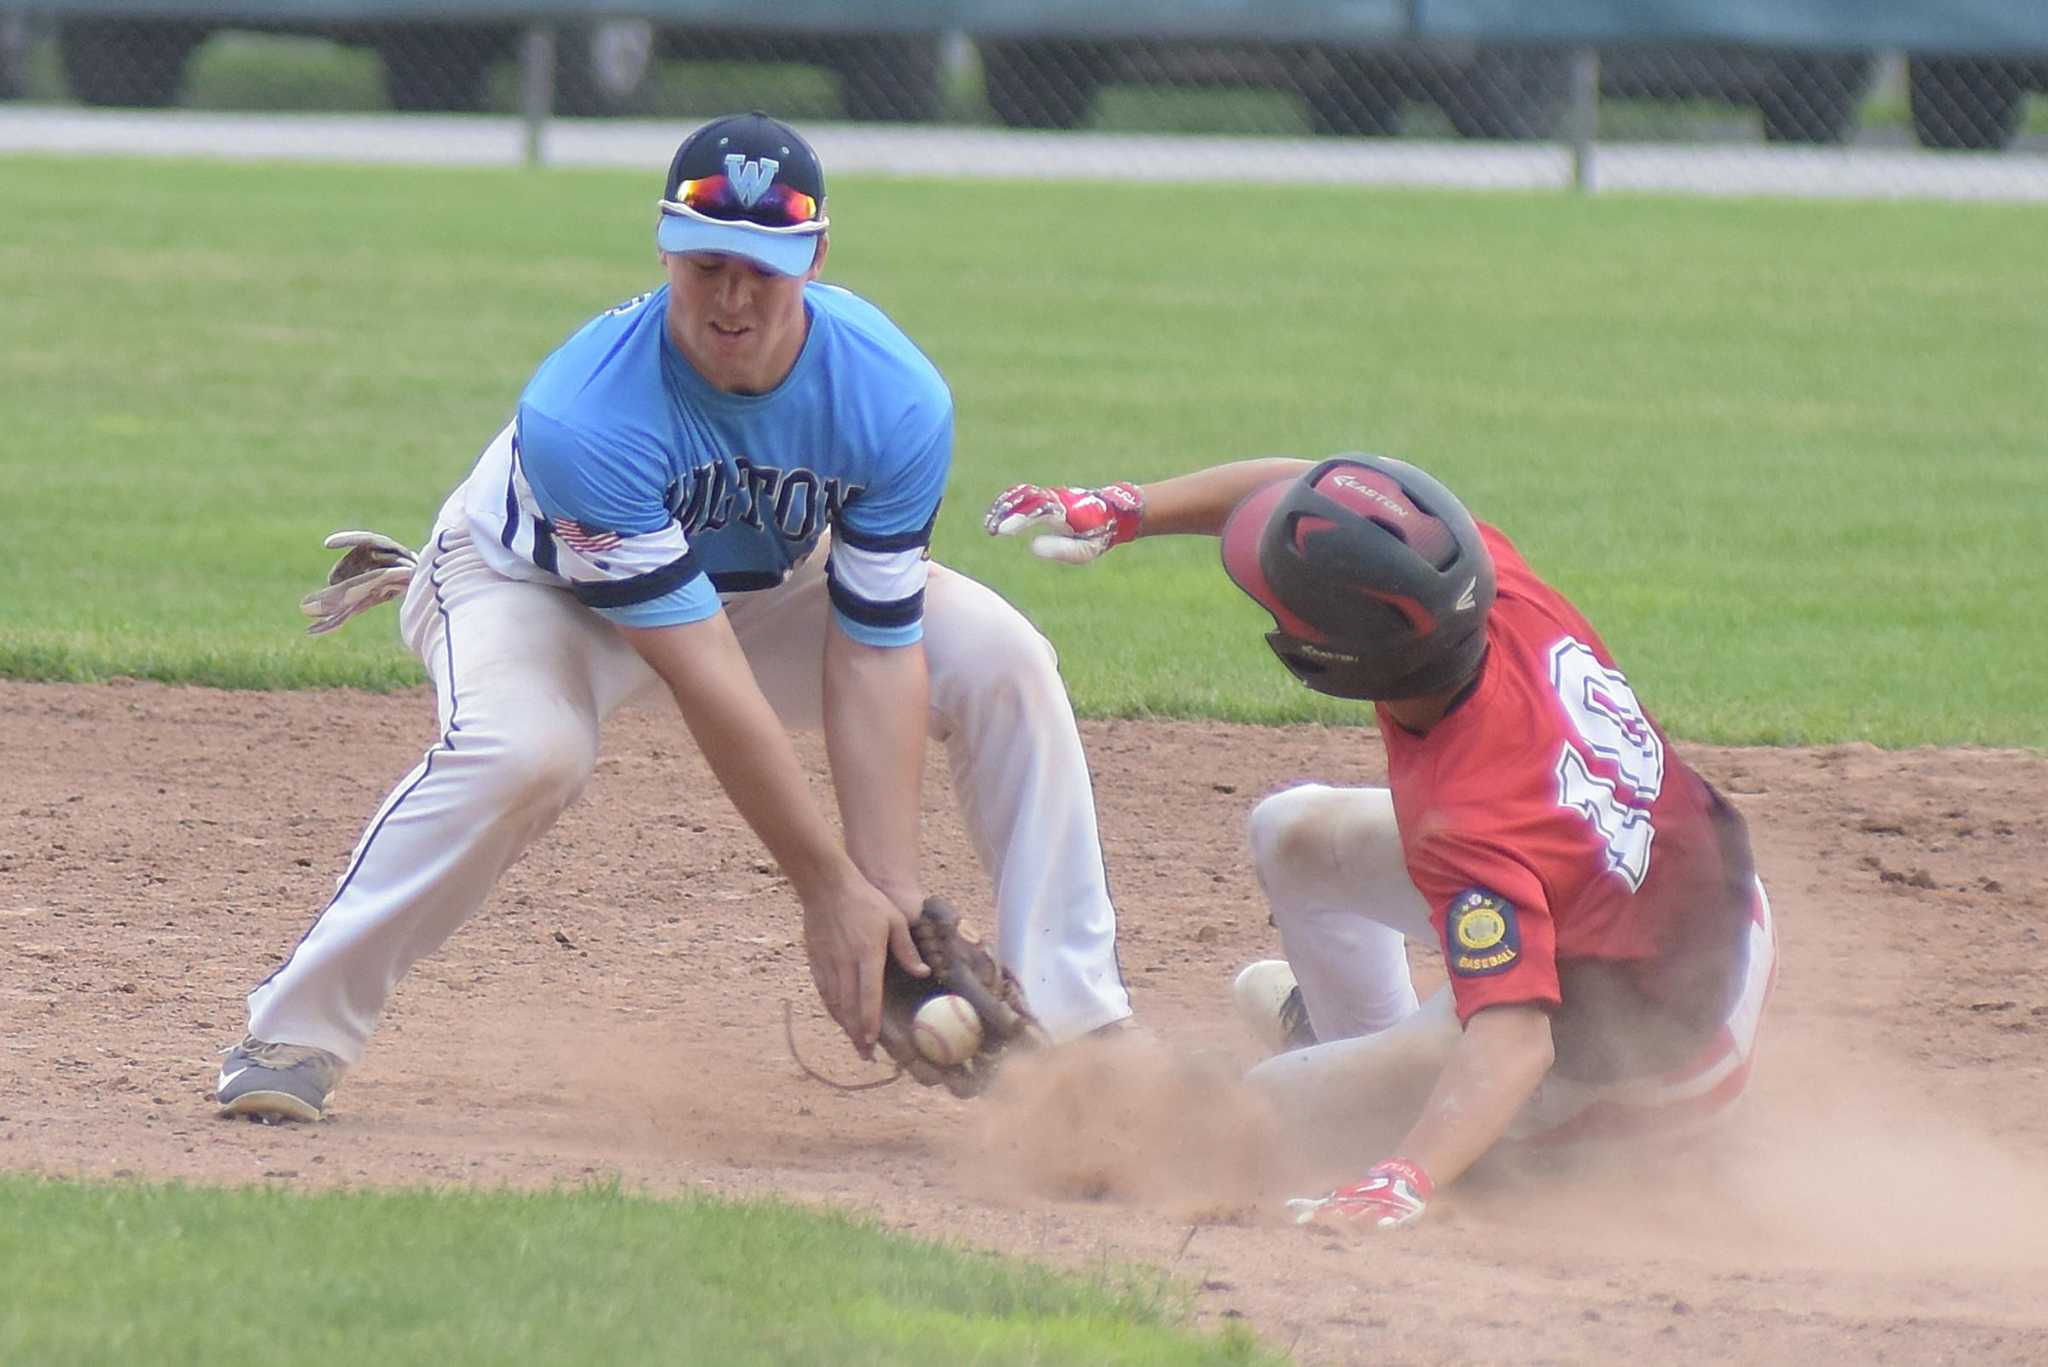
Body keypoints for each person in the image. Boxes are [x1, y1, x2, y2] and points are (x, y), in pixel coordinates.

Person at [217, 112, 1131, 1123]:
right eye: (706, 264)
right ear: (663, 247)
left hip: (760, 586)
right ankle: (295, 1026)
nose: (732, 296)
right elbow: (705, 678)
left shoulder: (894, 397)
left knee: (1003, 655)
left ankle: (1083, 1029)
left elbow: (876, 647)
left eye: (763, 267)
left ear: (816, 257)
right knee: (528, 750)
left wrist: (891, 894)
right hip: (531, 588)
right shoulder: (586, 412)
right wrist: (827, 888)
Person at [984, 455, 1776, 1229]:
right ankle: (1364, 1053)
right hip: (1671, 908)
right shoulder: (1476, 584)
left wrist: (1405, 1176)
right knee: (1290, 833)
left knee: (1252, 1119)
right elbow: (1298, 492)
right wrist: (1131, 507)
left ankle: (1491, 1142)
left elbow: (1515, 1040)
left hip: (1660, 1056)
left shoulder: (1466, 813)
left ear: (1332, 658)